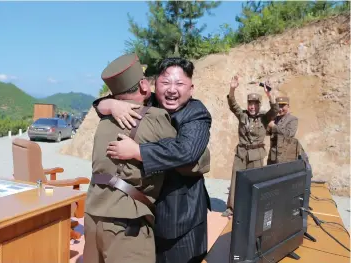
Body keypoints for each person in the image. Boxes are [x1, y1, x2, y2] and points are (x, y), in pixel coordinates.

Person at [84, 54, 210, 263]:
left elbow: (188, 153)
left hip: (178, 215)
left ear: (191, 88)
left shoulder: (196, 113)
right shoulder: (148, 102)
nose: (171, 89)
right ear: (151, 84)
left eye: (179, 83)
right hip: (144, 211)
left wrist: (138, 151)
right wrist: (112, 105)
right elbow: (104, 102)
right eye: (165, 82)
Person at [222, 76, 278, 217]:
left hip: (257, 154)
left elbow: (275, 110)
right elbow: (232, 104)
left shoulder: (264, 118)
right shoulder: (243, 116)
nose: (252, 106)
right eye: (250, 103)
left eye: (255, 104)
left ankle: (255, 208)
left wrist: (269, 94)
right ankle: (231, 208)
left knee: (256, 182)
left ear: (259, 105)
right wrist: (232, 88)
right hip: (241, 153)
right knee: (236, 180)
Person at [267, 96, 299, 165]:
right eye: (279, 106)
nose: (280, 109)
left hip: (286, 155)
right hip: (273, 155)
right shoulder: (275, 119)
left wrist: (274, 126)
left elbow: (289, 134)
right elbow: (268, 132)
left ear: (288, 106)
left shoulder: (293, 119)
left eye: (282, 106)